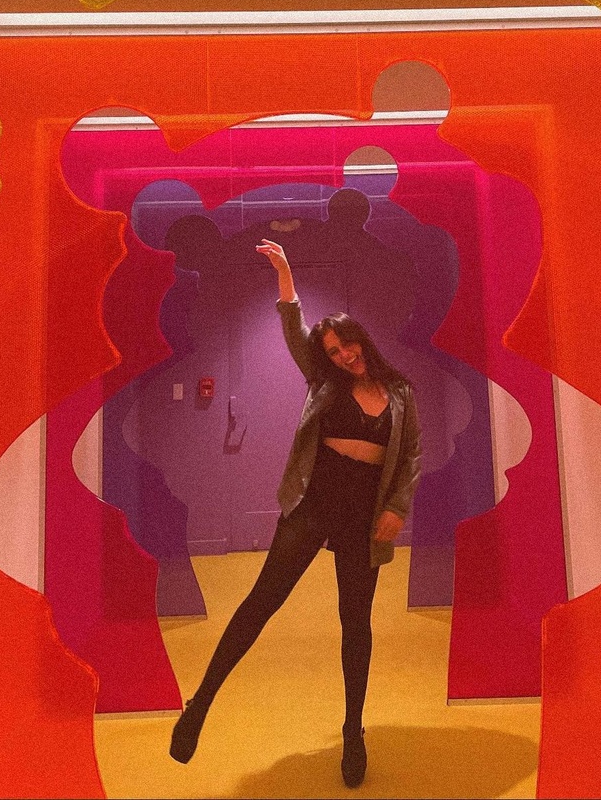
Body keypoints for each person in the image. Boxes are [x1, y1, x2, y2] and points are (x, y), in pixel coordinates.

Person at [170, 238, 422, 788]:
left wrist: (397, 508)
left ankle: (353, 731)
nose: (343, 356)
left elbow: (409, 457)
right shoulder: (325, 381)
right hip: (315, 502)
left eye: (347, 345)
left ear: (360, 339)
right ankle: (200, 703)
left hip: (364, 517)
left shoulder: (401, 391)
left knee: (355, 624)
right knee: (262, 602)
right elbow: (293, 326)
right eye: (332, 352)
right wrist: (284, 272)